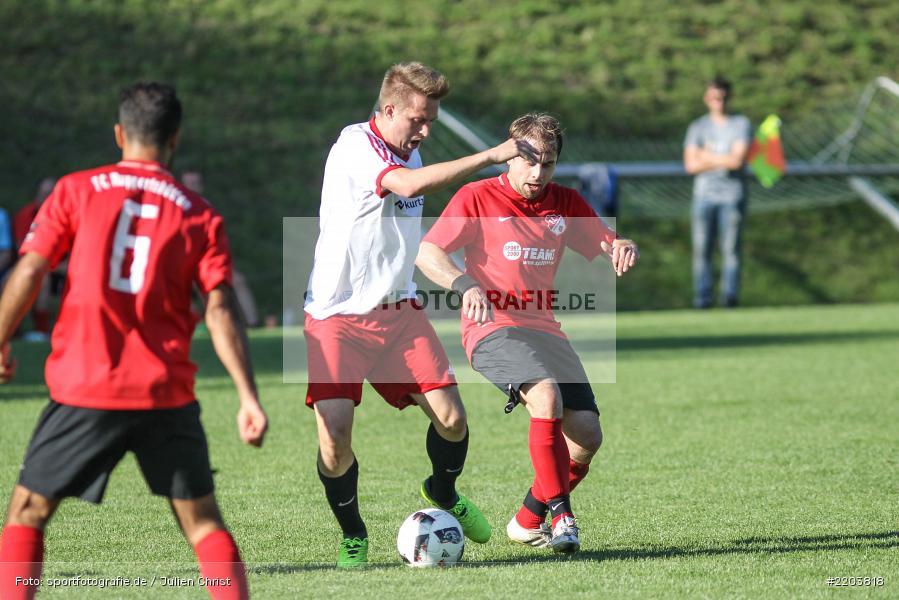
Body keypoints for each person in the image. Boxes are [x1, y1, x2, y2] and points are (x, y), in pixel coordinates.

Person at [0, 82, 267, 600]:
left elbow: (30, 269)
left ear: (120, 133)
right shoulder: (199, 211)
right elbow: (218, 306)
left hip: (85, 384)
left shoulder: (74, 190)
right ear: (175, 139)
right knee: (204, 524)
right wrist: (247, 397)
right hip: (164, 389)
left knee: (27, 512)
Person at [303, 61, 521, 567]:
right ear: (389, 109)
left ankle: (442, 493)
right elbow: (407, 187)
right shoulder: (355, 145)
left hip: (399, 313)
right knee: (334, 441)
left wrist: (461, 279)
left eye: (430, 123)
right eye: (418, 121)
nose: (424, 132)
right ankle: (354, 533)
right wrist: (492, 155)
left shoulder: (410, 149)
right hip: (336, 317)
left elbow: (412, 231)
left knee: (452, 420)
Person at [417, 112, 639, 553]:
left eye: (548, 163)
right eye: (529, 161)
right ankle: (561, 515)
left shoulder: (565, 202)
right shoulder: (476, 197)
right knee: (546, 397)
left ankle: (526, 518)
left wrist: (620, 244)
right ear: (509, 156)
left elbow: (602, 240)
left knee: (587, 437)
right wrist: (464, 283)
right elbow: (428, 251)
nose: (537, 173)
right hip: (492, 329)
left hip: (545, 330)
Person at [683, 76, 751, 308]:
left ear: (728, 98)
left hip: (732, 196)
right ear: (706, 98)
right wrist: (723, 158)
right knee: (702, 249)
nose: (718, 101)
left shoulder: (740, 124)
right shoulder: (698, 127)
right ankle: (703, 298)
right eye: (714, 96)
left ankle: (730, 298)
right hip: (704, 196)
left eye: (722, 97)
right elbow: (691, 165)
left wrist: (706, 155)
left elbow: (736, 161)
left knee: (730, 249)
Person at [180, 170, 260, 327]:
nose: (192, 187)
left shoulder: (206, 209)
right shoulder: (175, 207)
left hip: (205, 264)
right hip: (181, 265)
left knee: (237, 280)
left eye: (195, 184)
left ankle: (253, 324)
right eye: (188, 184)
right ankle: (199, 325)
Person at [12, 178, 59, 340]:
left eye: (50, 193)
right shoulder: (26, 214)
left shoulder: (63, 212)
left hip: (61, 264)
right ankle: (36, 330)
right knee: (39, 275)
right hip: (37, 262)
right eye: (44, 193)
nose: (46, 197)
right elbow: (22, 251)